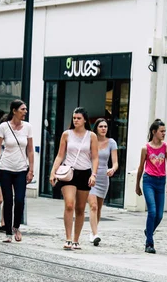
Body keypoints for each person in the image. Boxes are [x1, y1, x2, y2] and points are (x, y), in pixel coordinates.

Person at [49, 107, 98, 250]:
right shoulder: (67, 134)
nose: (75, 120)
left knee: (81, 208)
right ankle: (68, 238)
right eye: (74, 118)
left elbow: (95, 158)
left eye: (78, 118)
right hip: (68, 172)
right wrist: (53, 172)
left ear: (84, 120)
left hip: (85, 173)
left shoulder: (91, 136)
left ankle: (76, 239)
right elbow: (60, 155)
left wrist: (93, 174)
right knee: (69, 204)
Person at [0, 100, 34, 242]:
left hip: (21, 169)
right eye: (22, 109)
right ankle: (8, 232)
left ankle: (16, 227)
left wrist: (31, 169)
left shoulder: (28, 127)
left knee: (20, 200)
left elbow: (30, 150)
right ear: (14, 111)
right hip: (5, 168)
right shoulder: (4, 127)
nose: (25, 112)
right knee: (8, 201)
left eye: (26, 109)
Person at [135, 119, 167, 254]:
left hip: (160, 181)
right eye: (161, 131)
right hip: (148, 181)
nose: (164, 134)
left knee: (159, 215)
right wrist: (137, 185)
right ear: (154, 132)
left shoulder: (166, 147)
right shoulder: (145, 148)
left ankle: (149, 230)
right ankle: (149, 243)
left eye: (165, 131)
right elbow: (140, 168)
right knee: (152, 211)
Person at [88, 118, 118, 246]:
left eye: (105, 126)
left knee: (99, 207)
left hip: (103, 178)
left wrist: (113, 169)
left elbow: (115, 162)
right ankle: (95, 234)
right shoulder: (90, 141)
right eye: (101, 126)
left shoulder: (111, 142)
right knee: (93, 206)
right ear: (96, 128)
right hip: (91, 176)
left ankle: (92, 231)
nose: (103, 129)